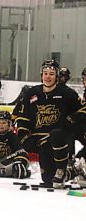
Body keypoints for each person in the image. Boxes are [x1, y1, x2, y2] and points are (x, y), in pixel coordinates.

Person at [14, 59, 85, 188]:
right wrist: (24, 137)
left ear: (57, 75)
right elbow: (23, 118)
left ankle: (63, 169)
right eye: (45, 73)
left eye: (51, 74)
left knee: (56, 134)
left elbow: (82, 110)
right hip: (41, 143)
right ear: (41, 75)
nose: (48, 77)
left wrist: (71, 120)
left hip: (60, 140)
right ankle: (72, 172)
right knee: (48, 180)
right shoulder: (32, 93)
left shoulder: (67, 93)